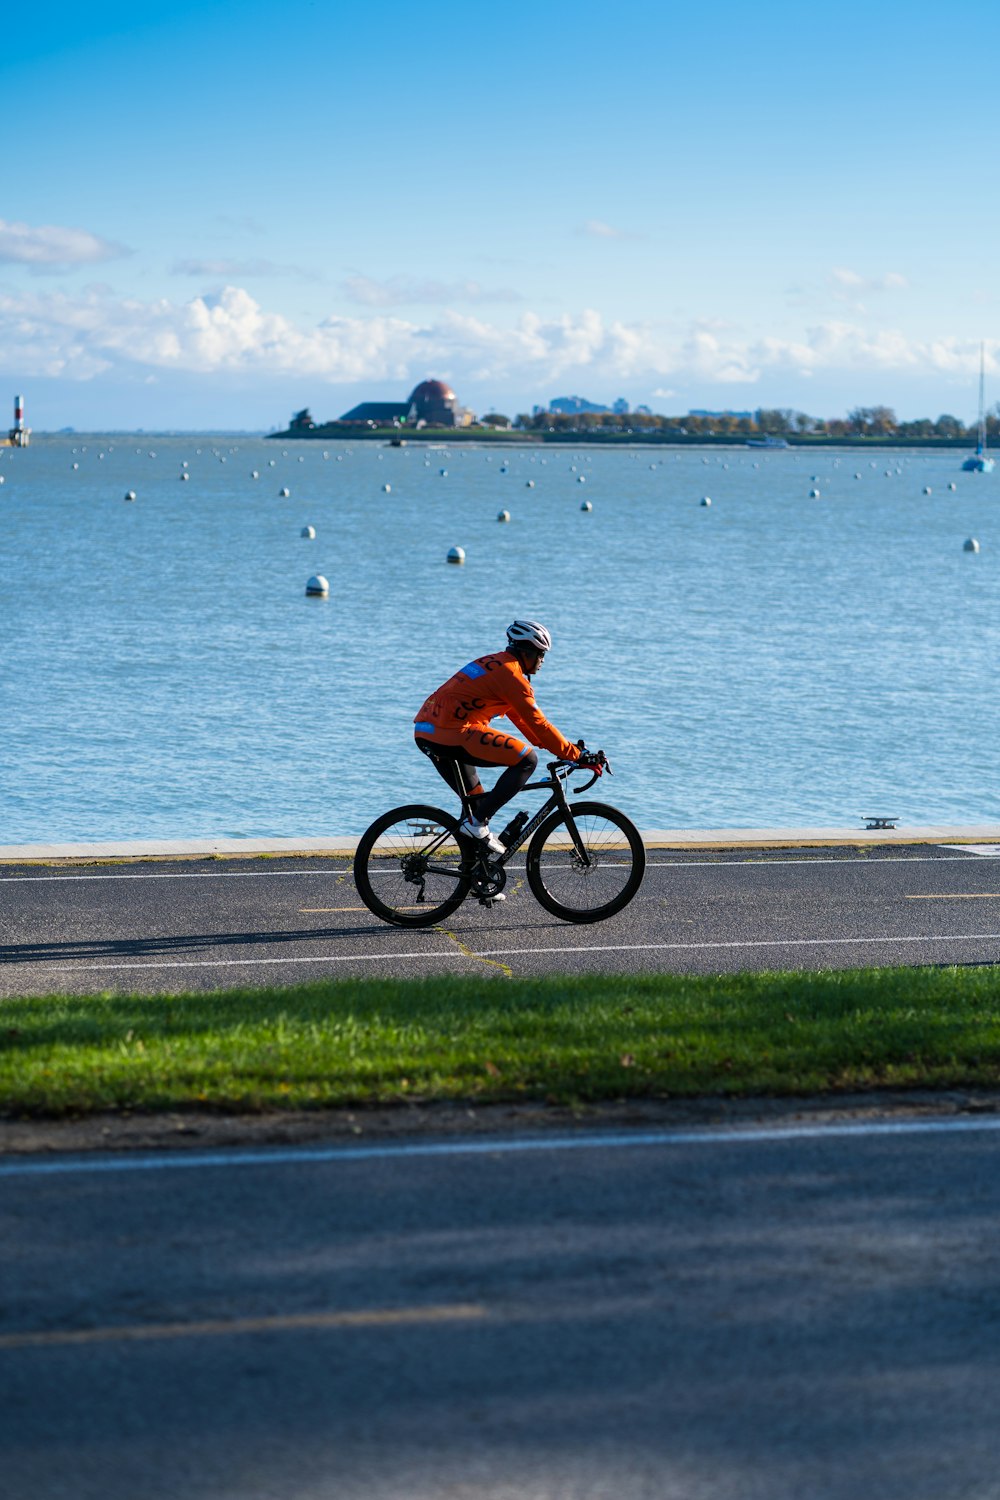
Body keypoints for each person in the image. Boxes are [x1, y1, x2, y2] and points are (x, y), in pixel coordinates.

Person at [414, 619, 602, 856]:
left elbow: (523, 721)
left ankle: (476, 880)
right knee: (527, 760)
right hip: (451, 732)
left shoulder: (497, 664)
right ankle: (477, 823)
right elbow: (538, 723)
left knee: (476, 805)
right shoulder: (511, 675)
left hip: (428, 730)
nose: (543, 661)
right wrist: (574, 754)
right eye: (541, 654)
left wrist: (562, 749)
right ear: (527, 652)